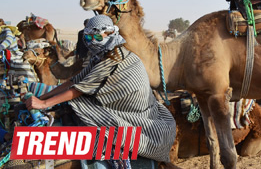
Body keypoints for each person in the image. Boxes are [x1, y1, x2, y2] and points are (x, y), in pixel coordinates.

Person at [25, 15, 176, 166]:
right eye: (89, 38)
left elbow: (78, 90)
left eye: (97, 36)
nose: (92, 42)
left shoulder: (114, 57)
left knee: (80, 107)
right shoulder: (101, 55)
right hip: (120, 105)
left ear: (109, 34)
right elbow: (74, 80)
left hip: (136, 115)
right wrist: (43, 97)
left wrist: (44, 104)